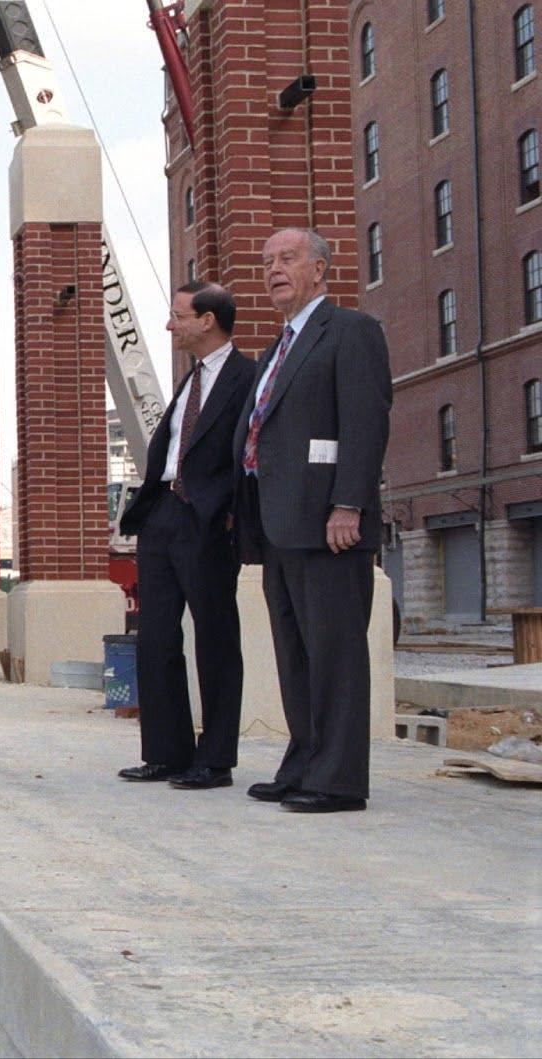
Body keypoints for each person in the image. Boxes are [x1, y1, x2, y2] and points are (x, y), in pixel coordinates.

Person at [231, 228, 391, 814]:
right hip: (280, 527)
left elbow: (366, 422)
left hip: (329, 525)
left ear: (320, 269)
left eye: (288, 258)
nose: (273, 269)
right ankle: (304, 762)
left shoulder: (350, 332)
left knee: (336, 655)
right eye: (267, 260)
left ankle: (340, 780)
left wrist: (349, 503)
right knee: (295, 655)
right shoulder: (277, 347)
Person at [116, 282, 256, 789]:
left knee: (215, 638)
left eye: (178, 316)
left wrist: (228, 515)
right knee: (155, 637)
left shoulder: (248, 378)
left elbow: (248, 454)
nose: (170, 325)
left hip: (206, 522)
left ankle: (215, 759)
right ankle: (166, 753)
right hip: (161, 518)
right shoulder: (189, 381)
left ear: (208, 320)